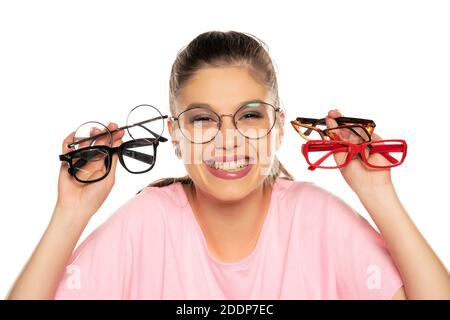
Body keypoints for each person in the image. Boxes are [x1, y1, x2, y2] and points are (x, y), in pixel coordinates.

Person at [6, 31, 450, 300]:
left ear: (278, 128)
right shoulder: (148, 222)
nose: (228, 140)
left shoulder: (315, 218)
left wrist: (377, 193)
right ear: (175, 135)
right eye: (202, 120)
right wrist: (71, 214)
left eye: (250, 115)